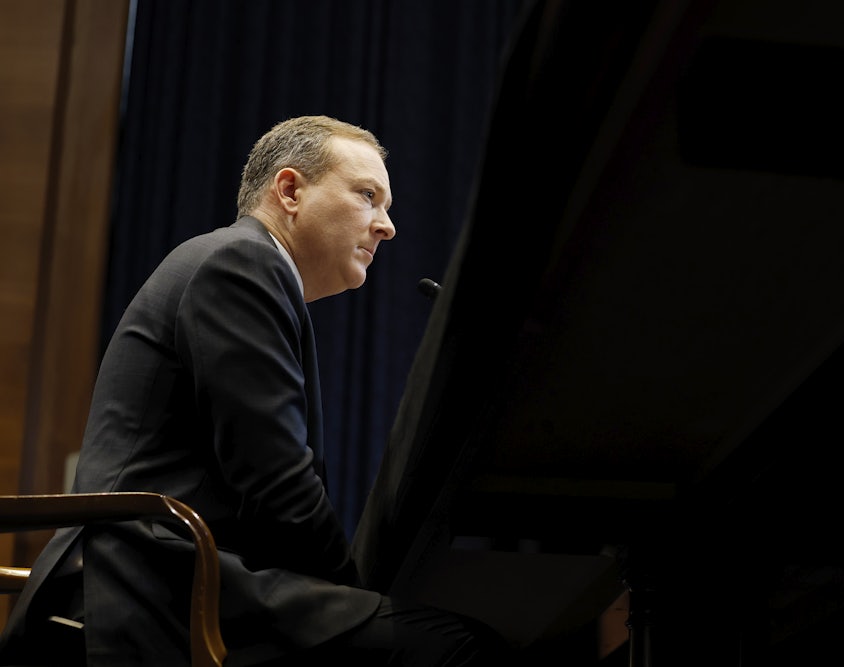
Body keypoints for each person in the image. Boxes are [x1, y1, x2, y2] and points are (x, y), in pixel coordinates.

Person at [0, 115, 511, 666]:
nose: (387, 226)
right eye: (368, 196)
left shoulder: (247, 269)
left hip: (187, 577)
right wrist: (356, 599)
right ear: (290, 190)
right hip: (145, 586)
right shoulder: (242, 264)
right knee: (458, 648)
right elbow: (277, 483)